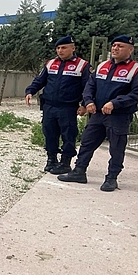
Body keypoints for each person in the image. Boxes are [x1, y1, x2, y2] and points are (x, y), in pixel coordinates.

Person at [58, 35, 138, 191]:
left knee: (116, 148)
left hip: (118, 116)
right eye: (114, 45)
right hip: (98, 114)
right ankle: (79, 171)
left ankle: (111, 178)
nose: (115, 48)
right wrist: (88, 101)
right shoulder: (102, 66)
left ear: (130, 49)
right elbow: (90, 86)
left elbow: (135, 94)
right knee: (87, 143)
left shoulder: (137, 70)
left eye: (120, 46)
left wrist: (115, 103)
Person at [25, 35, 90, 174]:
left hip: (68, 107)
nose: (60, 50)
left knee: (68, 135)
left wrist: (84, 104)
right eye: (58, 48)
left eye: (64, 47)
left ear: (73, 48)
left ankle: (65, 162)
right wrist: (30, 91)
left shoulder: (82, 65)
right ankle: (51, 159)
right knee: (49, 133)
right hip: (49, 106)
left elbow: (88, 87)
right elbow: (40, 80)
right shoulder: (50, 63)